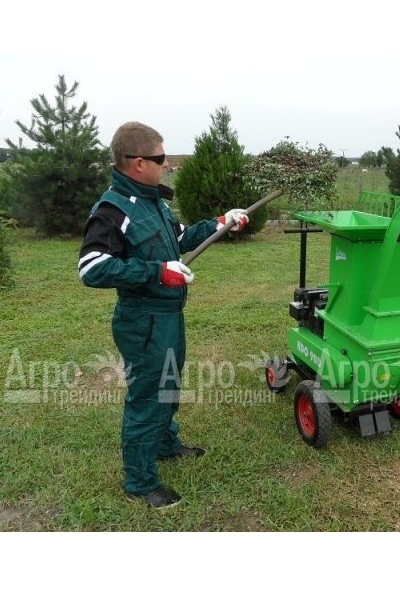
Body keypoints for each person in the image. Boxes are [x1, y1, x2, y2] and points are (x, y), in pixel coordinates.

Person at [78, 122, 248, 509]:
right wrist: (157, 272)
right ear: (138, 163)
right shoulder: (112, 210)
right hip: (143, 321)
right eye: (160, 157)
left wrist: (220, 223)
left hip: (169, 317)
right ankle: (140, 483)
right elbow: (92, 268)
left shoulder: (153, 201)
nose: (167, 163)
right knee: (148, 397)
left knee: (169, 385)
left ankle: (166, 444)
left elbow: (180, 236)